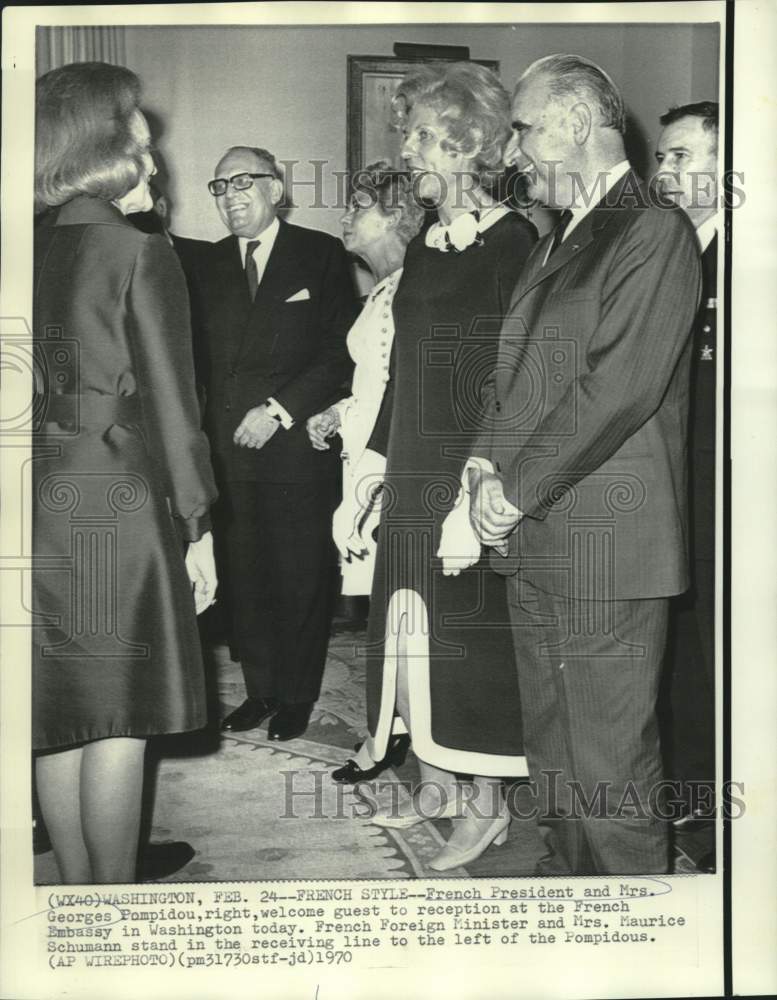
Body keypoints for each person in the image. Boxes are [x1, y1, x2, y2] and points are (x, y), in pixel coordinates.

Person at [467, 54, 702, 875]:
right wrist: (481, 472)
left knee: (608, 766)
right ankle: (568, 897)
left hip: (606, 540)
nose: (513, 152)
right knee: (553, 748)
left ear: (573, 123)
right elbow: (518, 374)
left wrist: (515, 490)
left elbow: (617, 388)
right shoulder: (560, 233)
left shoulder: (651, 230)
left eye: (524, 129)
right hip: (536, 533)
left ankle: (639, 935)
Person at [33, 62, 218, 884]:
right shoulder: (137, 253)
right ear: (106, 153)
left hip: (33, 500)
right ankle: (111, 906)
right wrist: (199, 527)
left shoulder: (25, 244)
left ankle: (73, 896)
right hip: (117, 502)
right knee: (118, 718)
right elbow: (177, 414)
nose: (156, 166)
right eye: (143, 147)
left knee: (59, 707)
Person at [361, 62, 537, 872]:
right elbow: (403, 368)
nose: (406, 151)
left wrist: (479, 484)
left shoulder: (517, 241)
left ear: (462, 144)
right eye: (406, 136)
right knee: (409, 627)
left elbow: (518, 377)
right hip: (408, 464)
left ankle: (488, 805)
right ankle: (434, 769)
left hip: (469, 470)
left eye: (418, 136)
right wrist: (368, 471)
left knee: (466, 639)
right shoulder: (427, 243)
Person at [197, 145, 357, 742]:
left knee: (300, 574)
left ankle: (297, 695)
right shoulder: (205, 266)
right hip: (228, 450)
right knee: (245, 577)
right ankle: (261, 690)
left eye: (244, 181)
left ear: (275, 187)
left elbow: (340, 349)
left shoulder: (320, 254)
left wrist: (281, 408)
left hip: (293, 446)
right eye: (219, 186)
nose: (231, 195)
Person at [306, 163, 425, 784]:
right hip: (365, 461)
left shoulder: (413, 286)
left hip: (389, 471)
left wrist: (375, 477)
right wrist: (338, 409)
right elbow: (377, 383)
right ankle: (388, 730)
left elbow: (412, 391)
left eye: (357, 206)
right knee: (385, 611)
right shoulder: (382, 288)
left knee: (400, 614)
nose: (344, 217)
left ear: (396, 217)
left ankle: (396, 737)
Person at [654, 102, 719, 860]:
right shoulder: (675, 251)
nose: (663, 172)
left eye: (679, 157)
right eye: (663, 158)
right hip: (675, 493)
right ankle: (691, 793)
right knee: (683, 648)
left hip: (723, 498)